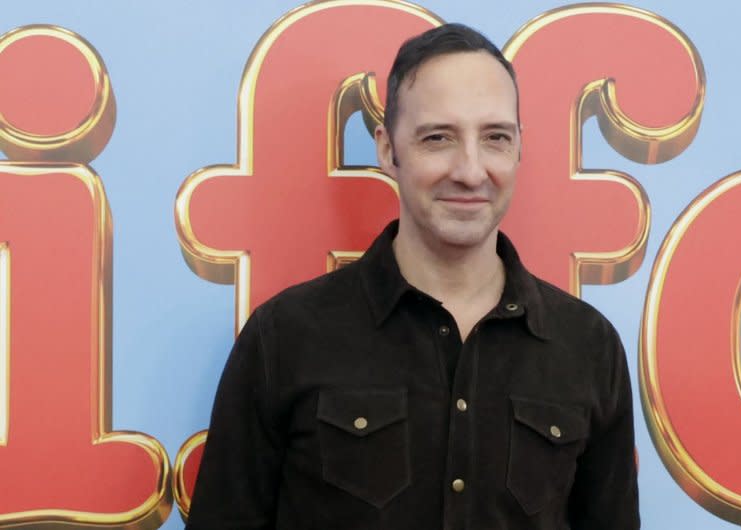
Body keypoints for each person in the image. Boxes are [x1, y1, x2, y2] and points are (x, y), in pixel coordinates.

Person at [186, 23, 639, 530]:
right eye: (438, 138)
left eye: (494, 138)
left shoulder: (589, 347)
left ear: (518, 148)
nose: (470, 170)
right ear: (387, 149)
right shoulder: (284, 337)